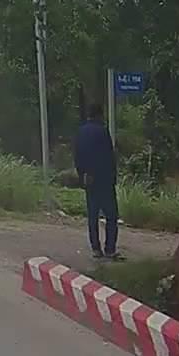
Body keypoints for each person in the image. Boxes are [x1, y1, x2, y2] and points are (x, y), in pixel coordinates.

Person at [75, 103, 122, 260]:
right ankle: (110, 249)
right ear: (99, 115)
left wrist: (82, 175)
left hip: (89, 179)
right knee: (111, 216)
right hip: (104, 179)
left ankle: (95, 248)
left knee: (93, 215)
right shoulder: (102, 131)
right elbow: (108, 156)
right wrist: (113, 177)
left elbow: (77, 155)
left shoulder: (81, 131)